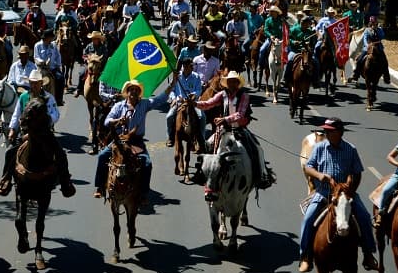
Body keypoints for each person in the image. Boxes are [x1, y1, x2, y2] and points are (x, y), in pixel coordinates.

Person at [299, 117, 378, 273]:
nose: (326, 134)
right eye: (326, 131)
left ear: (340, 132)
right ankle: (305, 256)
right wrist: (320, 175)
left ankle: (368, 254)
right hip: (323, 192)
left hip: (345, 195)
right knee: (308, 218)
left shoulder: (351, 149)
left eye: (330, 131)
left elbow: (357, 173)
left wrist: (351, 190)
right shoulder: (319, 148)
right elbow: (309, 167)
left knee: (364, 216)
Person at [92, 75, 179, 202]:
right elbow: (107, 122)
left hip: (136, 140)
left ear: (139, 93)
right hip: (120, 140)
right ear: (127, 92)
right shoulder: (119, 106)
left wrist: (172, 84)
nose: (133, 92)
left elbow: (161, 99)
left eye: (136, 90)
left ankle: (143, 192)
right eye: (131, 90)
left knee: (147, 164)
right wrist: (118, 120)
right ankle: (100, 186)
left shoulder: (144, 104)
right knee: (102, 156)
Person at [0, 70, 74, 198]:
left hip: (45, 133)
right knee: (10, 152)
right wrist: (12, 130)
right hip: (26, 133)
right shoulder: (23, 97)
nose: (34, 86)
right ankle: (6, 179)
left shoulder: (48, 98)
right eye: (32, 83)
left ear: (41, 83)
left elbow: (55, 114)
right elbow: (17, 114)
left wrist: (47, 120)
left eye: (36, 83)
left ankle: (66, 182)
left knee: (61, 154)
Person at [196, 70, 274, 200]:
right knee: (207, 146)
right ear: (227, 83)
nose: (232, 84)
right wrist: (196, 104)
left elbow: (240, 114)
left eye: (234, 82)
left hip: (239, 130)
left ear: (238, 83)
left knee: (258, 149)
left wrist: (224, 119)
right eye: (230, 82)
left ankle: (263, 175)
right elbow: (208, 104)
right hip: (223, 131)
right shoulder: (222, 94)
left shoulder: (244, 96)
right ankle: (204, 176)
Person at [166, 58, 206, 148]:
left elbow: (199, 89)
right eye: (189, 66)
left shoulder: (196, 76)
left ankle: (201, 139)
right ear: (184, 66)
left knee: (202, 117)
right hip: (180, 102)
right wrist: (174, 98)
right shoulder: (177, 76)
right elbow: (172, 90)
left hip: (192, 102)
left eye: (192, 66)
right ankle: (170, 137)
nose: (191, 67)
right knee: (169, 116)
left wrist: (194, 94)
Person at [348, 16, 390, 84]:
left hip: (378, 48)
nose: (374, 24)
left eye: (375, 22)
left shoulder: (379, 30)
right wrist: (368, 46)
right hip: (368, 48)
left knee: (385, 61)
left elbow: (382, 36)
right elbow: (365, 39)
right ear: (370, 23)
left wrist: (377, 29)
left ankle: (386, 76)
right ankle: (356, 74)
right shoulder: (367, 30)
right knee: (359, 60)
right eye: (372, 22)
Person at [33, 29, 65, 104]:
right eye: (50, 38)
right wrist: (43, 62)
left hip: (52, 68)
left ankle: (59, 99)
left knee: (60, 78)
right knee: (33, 81)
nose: (51, 39)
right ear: (47, 38)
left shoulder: (53, 45)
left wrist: (58, 65)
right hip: (41, 68)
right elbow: (36, 57)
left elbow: (58, 56)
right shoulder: (37, 45)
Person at [73, 31, 109, 97]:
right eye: (93, 38)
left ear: (98, 39)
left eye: (95, 39)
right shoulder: (89, 46)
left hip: (100, 66)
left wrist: (100, 60)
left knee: (106, 76)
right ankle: (78, 89)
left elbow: (105, 56)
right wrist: (86, 59)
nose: (94, 40)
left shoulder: (103, 47)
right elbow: (84, 55)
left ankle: (107, 92)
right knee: (82, 73)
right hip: (90, 65)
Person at [283, 15, 316, 85]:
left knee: (316, 62)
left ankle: (315, 80)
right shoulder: (294, 29)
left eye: (308, 23)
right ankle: (285, 78)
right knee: (289, 60)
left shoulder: (310, 31)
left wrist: (310, 46)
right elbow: (288, 39)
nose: (308, 25)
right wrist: (293, 42)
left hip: (306, 52)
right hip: (295, 50)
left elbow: (313, 42)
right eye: (306, 23)